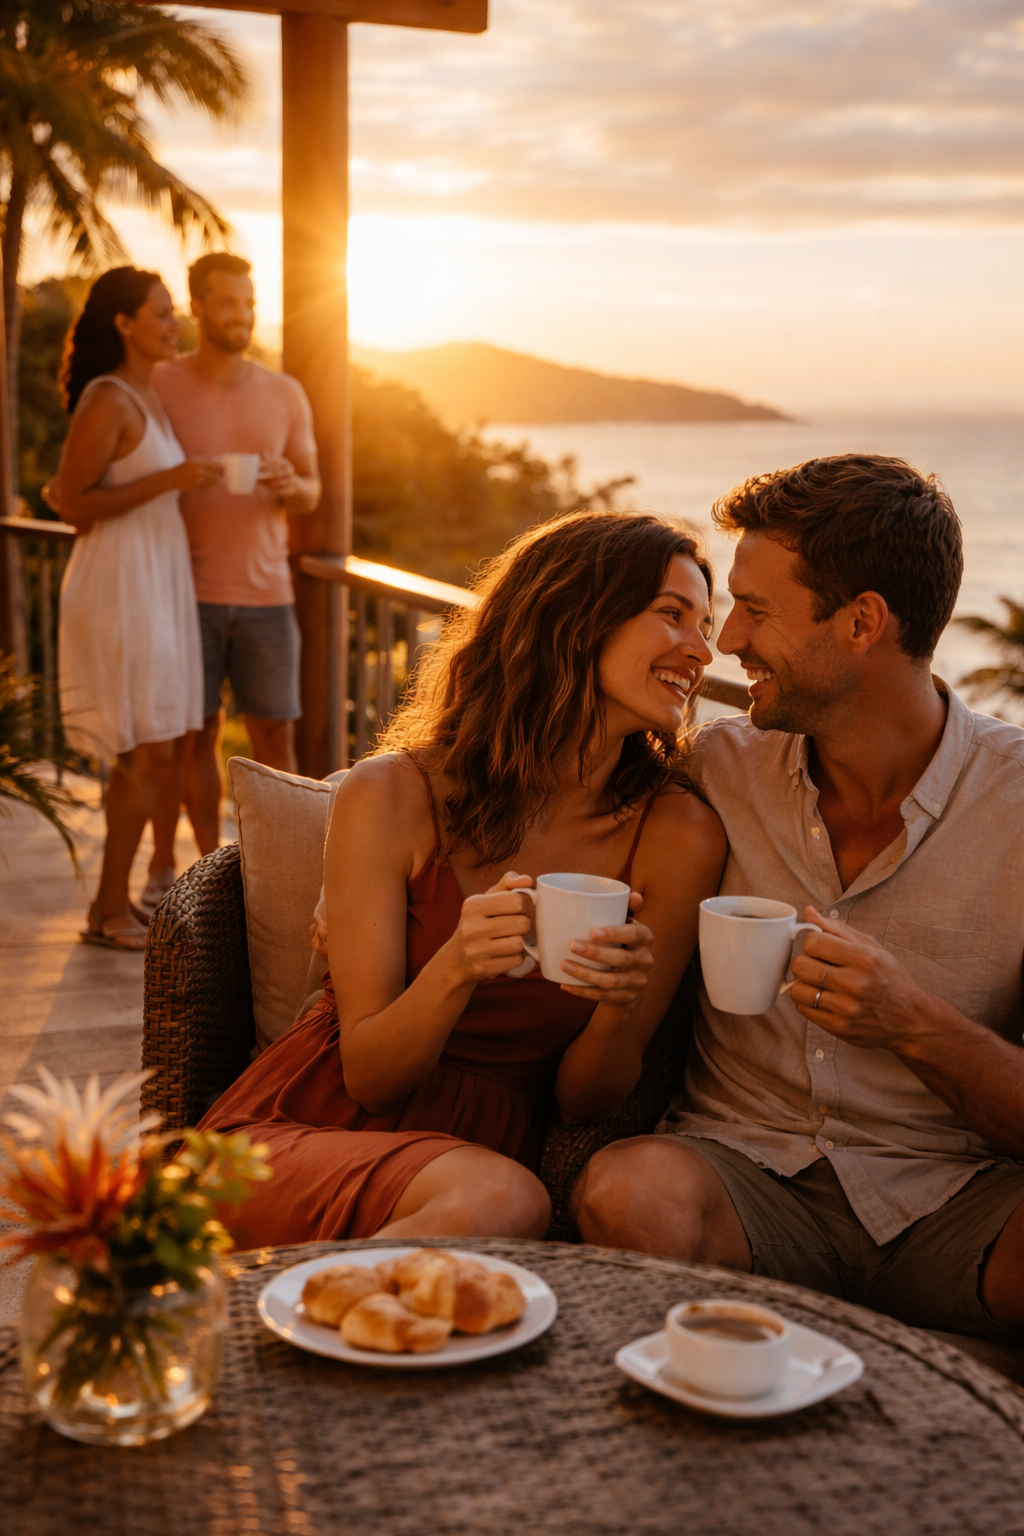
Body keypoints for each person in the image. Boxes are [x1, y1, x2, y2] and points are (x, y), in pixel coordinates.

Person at [573, 454, 1024, 1343]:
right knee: (628, 1190)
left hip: (955, 1198)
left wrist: (910, 1022)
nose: (727, 640)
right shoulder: (714, 770)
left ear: (862, 623)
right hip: (741, 1180)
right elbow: (546, 795)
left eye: (757, 609)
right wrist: (389, 860)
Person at [198, 511, 727, 1246]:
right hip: (297, 1132)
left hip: (481, 1173)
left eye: (707, 622)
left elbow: (585, 1100)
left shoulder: (677, 834)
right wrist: (458, 964)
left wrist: (618, 1005)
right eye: (673, 615)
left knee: (500, 1202)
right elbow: (371, 1078)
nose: (703, 650)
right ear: (573, 616)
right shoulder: (393, 794)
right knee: (501, 1202)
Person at [144, 252, 320, 907]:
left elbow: (311, 490)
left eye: (248, 302)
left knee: (276, 737)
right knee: (189, 737)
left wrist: (289, 483)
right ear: (197, 307)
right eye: (227, 303)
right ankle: (178, 868)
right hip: (181, 591)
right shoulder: (158, 382)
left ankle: (282, 870)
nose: (241, 314)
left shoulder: (284, 393)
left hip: (268, 596)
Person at [55, 267, 220, 950]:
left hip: (155, 579)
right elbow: (70, 500)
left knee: (156, 745)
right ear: (123, 322)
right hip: (121, 583)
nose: (173, 322)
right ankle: (107, 909)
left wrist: (183, 483)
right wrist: (170, 480)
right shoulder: (109, 396)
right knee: (145, 749)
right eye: (160, 313)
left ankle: (109, 904)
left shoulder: (149, 398)